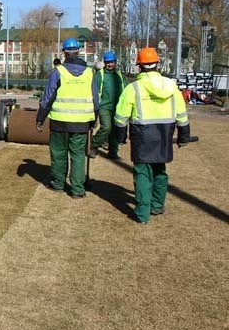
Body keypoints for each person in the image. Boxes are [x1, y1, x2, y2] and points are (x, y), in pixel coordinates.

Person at [114, 47, 190, 224]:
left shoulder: (133, 88)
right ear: (158, 64)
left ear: (139, 66)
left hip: (142, 135)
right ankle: (157, 204)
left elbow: (120, 116)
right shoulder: (171, 86)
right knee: (160, 171)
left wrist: (120, 136)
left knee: (142, 173)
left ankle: (142, 213)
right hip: (164, 133)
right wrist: (184, 135)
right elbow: (182, 113)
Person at [36, 38, 99, 198]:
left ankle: (58, 184)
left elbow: (48, 97)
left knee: (58, 153)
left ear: (64, 53)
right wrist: (94, 119)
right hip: (81, 123)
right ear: (78, 52)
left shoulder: (58, 72)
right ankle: (77, 190)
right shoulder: (89, 73)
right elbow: (95, 99)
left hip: (59, 122)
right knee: (78, 155)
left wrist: (40, 118)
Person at [89, 50, 126, 160]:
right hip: (104, 106)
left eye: (112, 62)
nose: (110, 64)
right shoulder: (99, 75)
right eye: (108, 62)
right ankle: (94, 145)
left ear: (115, 62)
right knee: (106, 127)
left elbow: (126, 89)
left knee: (116, 129)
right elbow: (94, 90)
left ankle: (113, 152)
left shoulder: (120, 76)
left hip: (118, 107)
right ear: (105, 63)